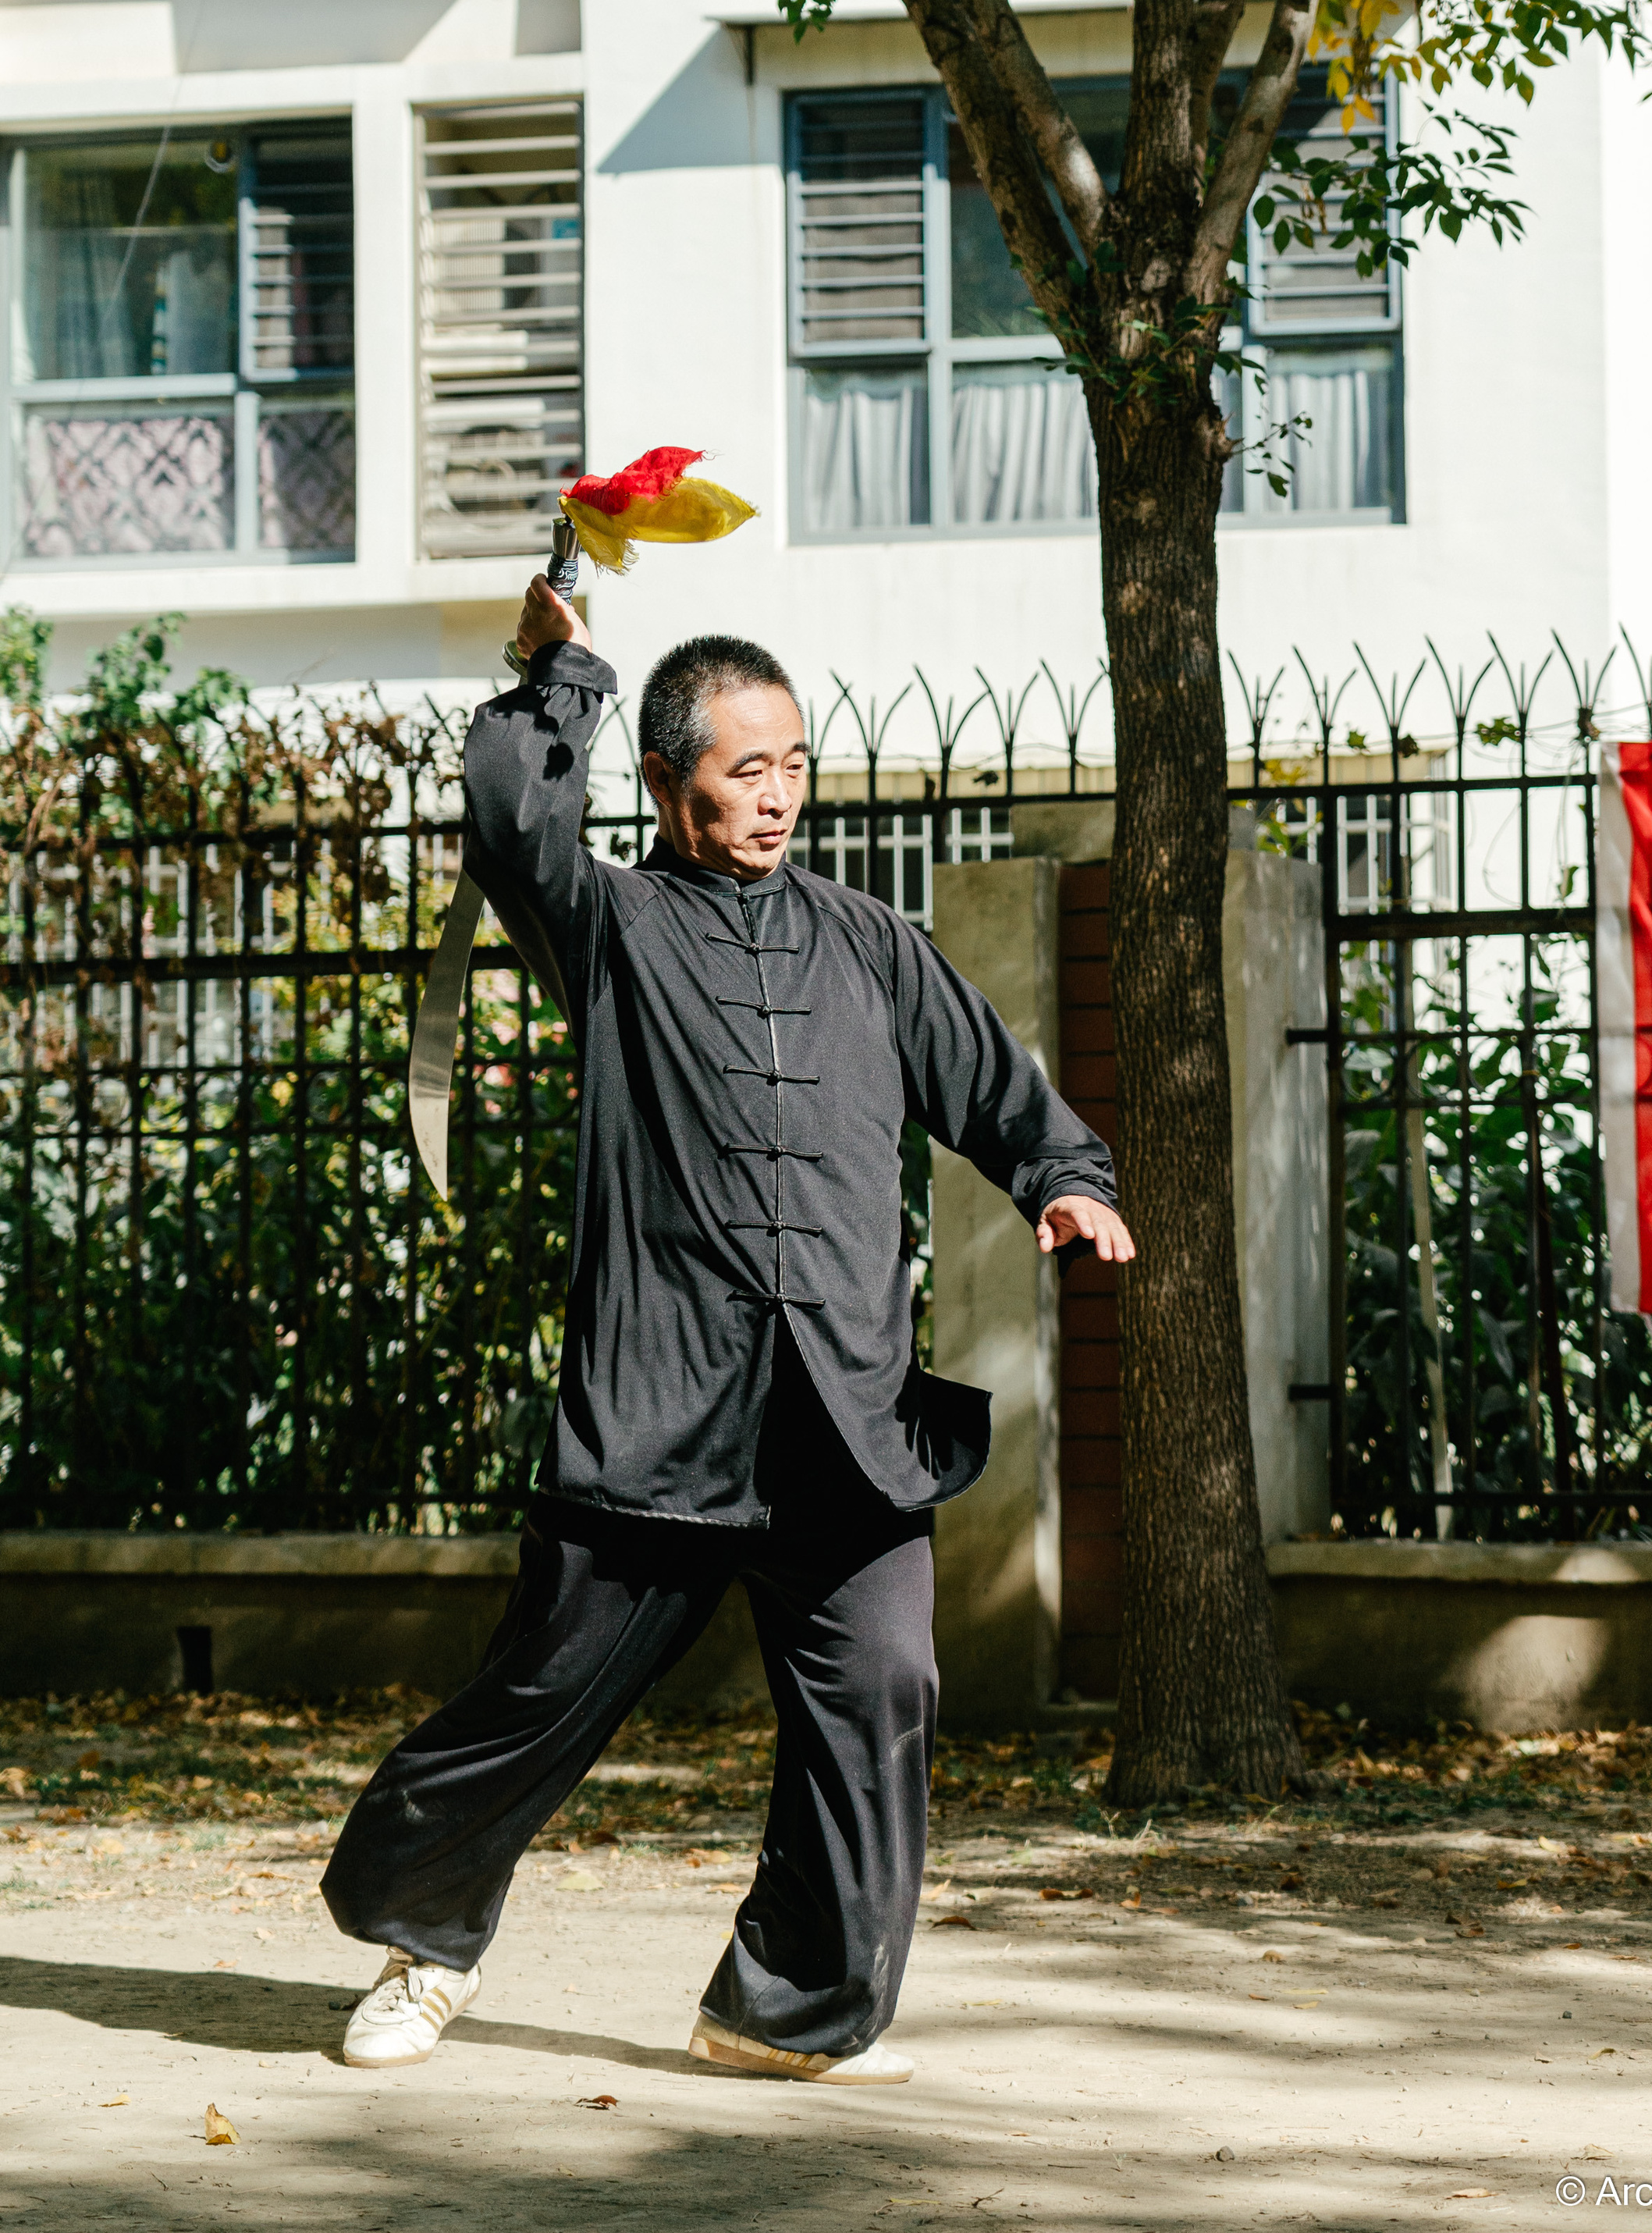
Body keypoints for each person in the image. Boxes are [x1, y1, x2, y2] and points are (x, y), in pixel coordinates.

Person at [321, 584, 1132, 2083]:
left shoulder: (868, 944)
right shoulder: (613, 926)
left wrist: (1064, 1178)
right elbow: (507, 819)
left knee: (881, 1688)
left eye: (796, 765)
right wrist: (558, 672)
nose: (777, 797)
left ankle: (785, 2009)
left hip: (845, 1413)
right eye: (746, 770)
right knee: (543, 1694)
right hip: (661, 1417)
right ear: (666, 782)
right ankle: (423, 1945)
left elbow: (992, 1081)